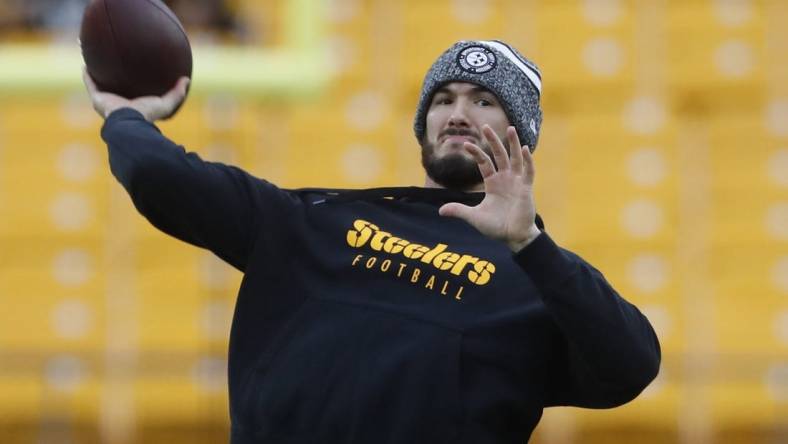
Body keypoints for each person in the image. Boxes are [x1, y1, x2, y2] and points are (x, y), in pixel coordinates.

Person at [84, 39, 661, 444]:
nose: (458, 113)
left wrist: (530, 243)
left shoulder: (533, 273)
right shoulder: (314, 217)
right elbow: (161, 178)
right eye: (443, 99)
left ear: (520, 135)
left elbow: (631, 366)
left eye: (484, 101)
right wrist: (125, 116)